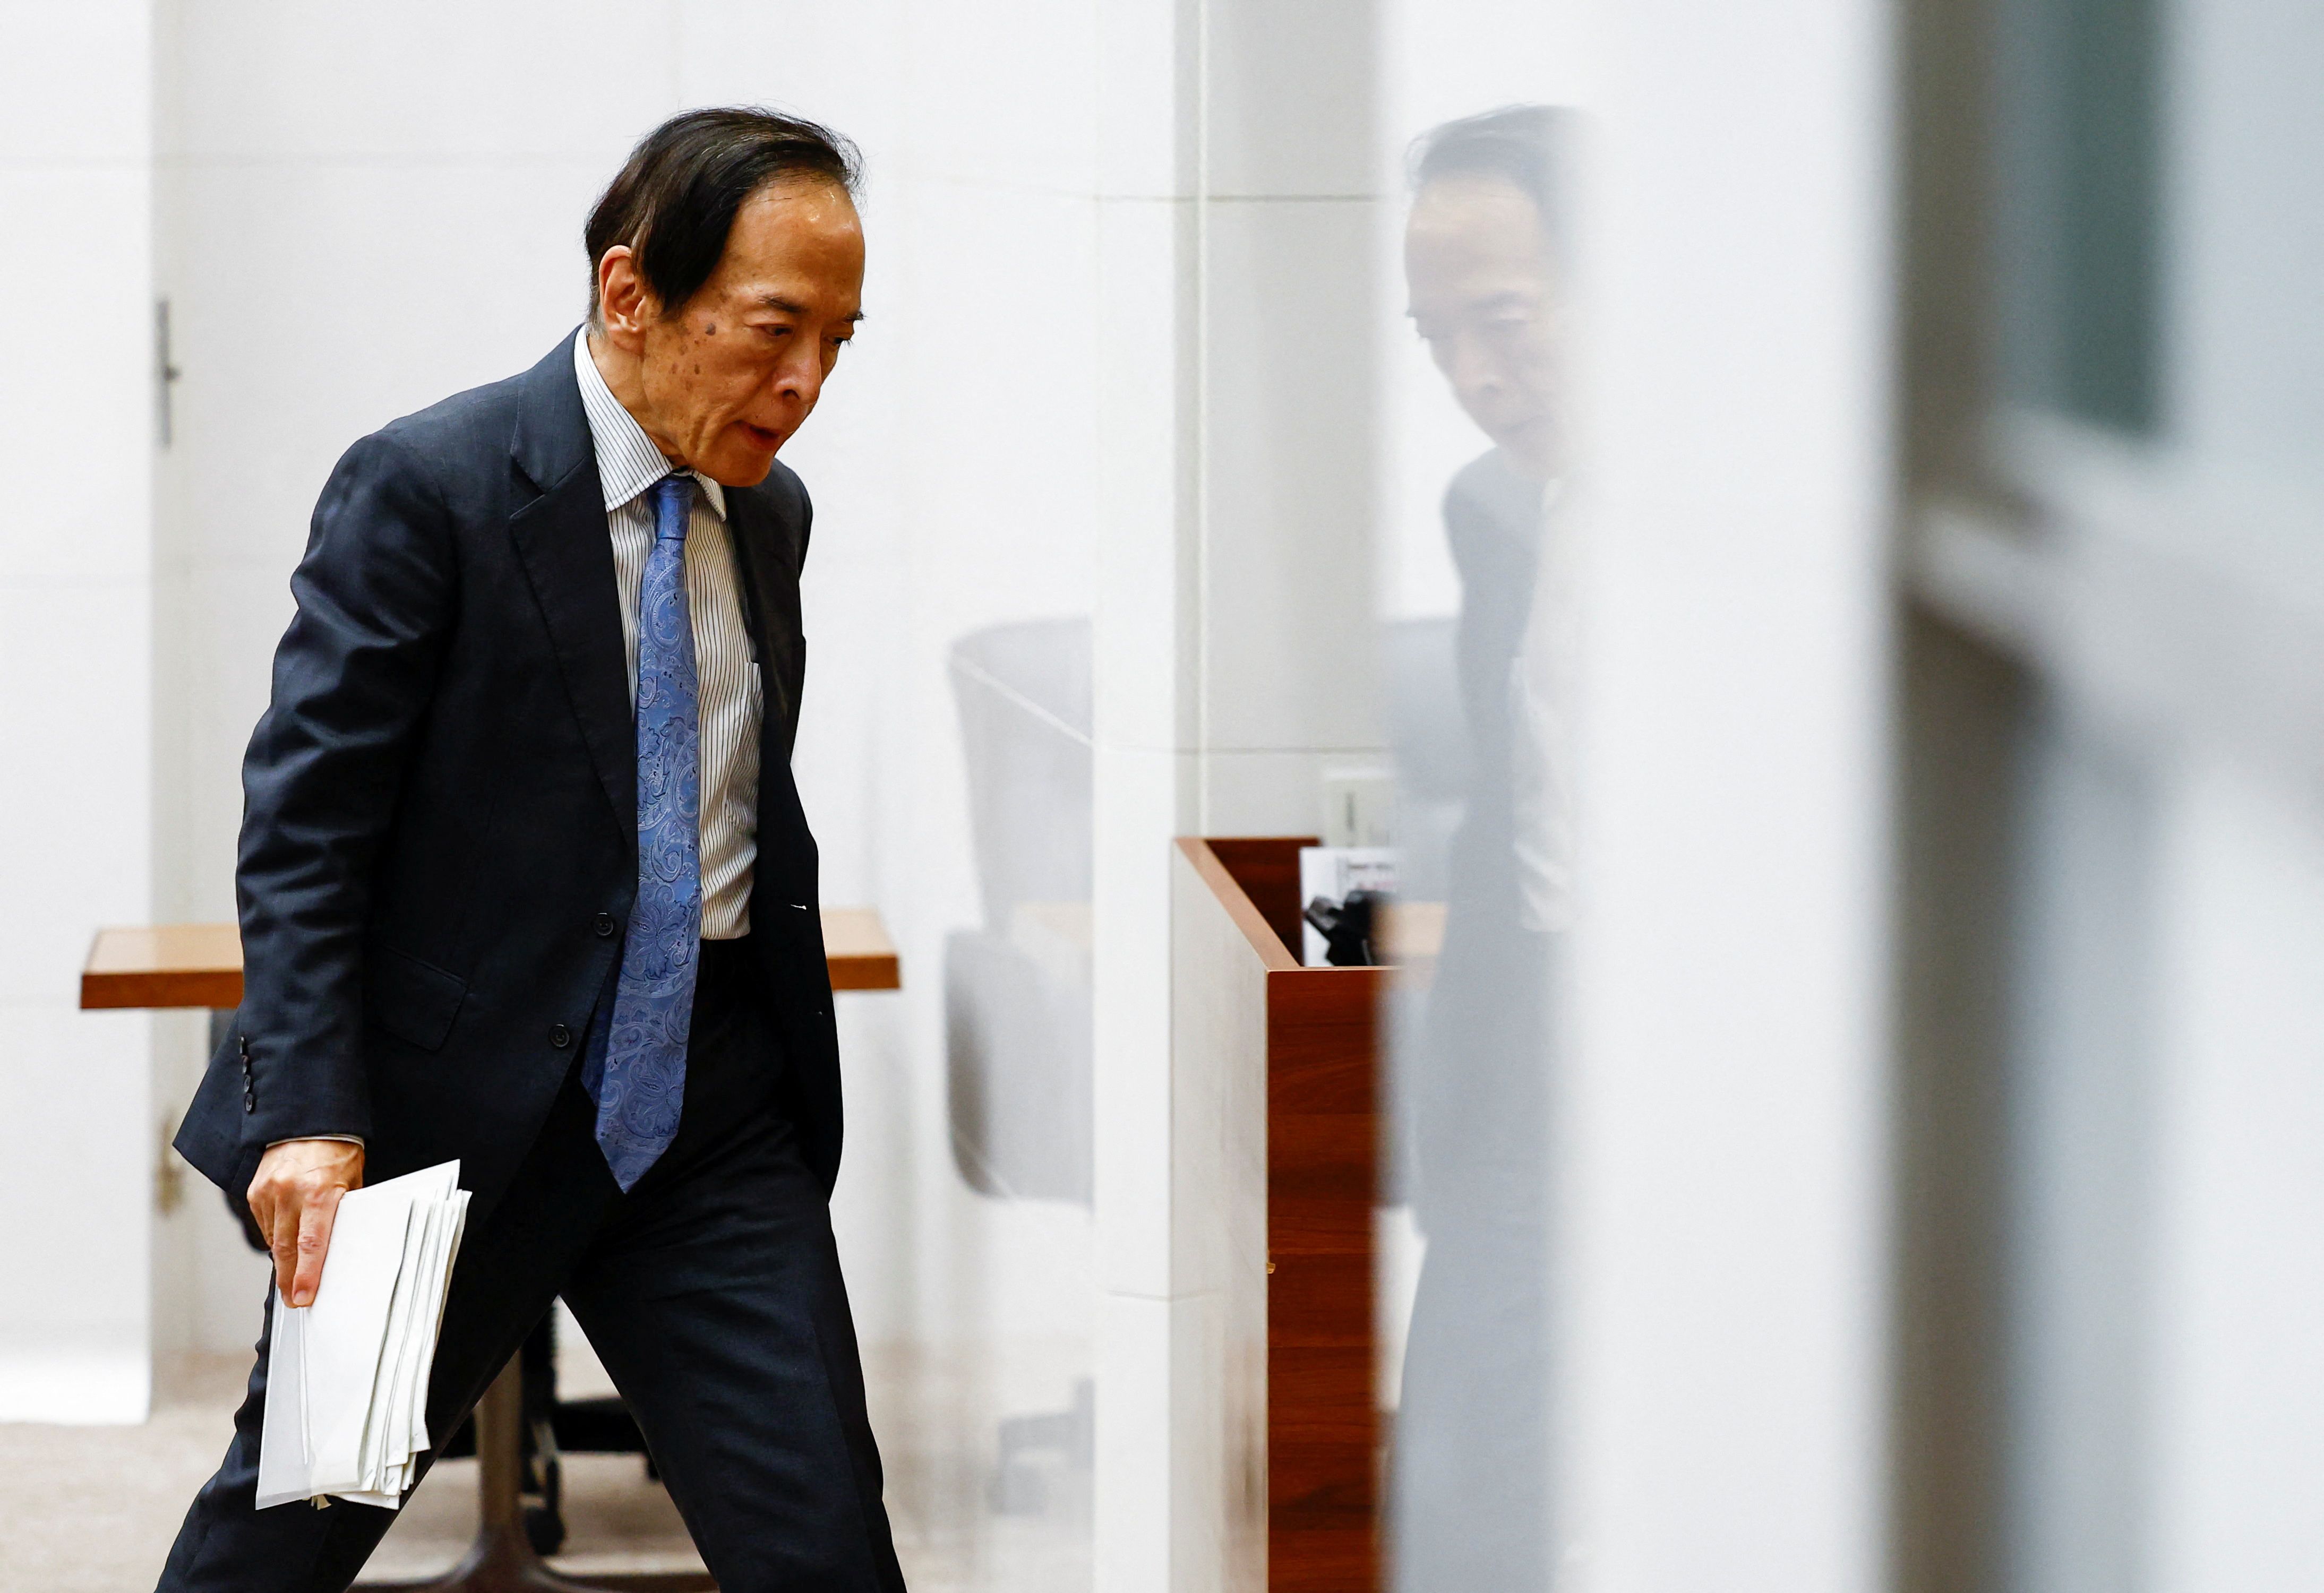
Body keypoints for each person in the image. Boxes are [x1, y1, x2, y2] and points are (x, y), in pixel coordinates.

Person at [157, 107, 905, 1592]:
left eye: (837, 337)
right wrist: (309, 1109)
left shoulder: (769, 514)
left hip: (704, 1122)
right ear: (631, 293)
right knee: (283, 1542)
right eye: (773, 328)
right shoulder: (429, 489)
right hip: (436, 1127)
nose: (807, 381)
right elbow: (306, 832)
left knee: (824, 1552)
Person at [1391, 103, 1573, 1592]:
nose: (1470, 375)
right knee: (1455, 1495)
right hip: (1535, 1069)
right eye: (1435, 337)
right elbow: (1516, 842)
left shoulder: (1768, 524)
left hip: (1743, 1080)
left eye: (1500, 321)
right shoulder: (1501, 517)